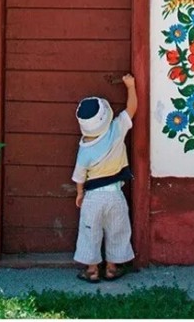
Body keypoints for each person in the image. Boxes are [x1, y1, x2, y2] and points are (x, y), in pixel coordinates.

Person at [72, 73, 137, 283]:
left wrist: (80, 194)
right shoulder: (116, 130)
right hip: (115, 195)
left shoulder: (84, 150)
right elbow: (132, 109)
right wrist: (130, 86)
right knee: (117, 231)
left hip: (92, 198)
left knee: (90, 233)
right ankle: (111, 268)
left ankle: (92, 270)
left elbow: (80, 176)